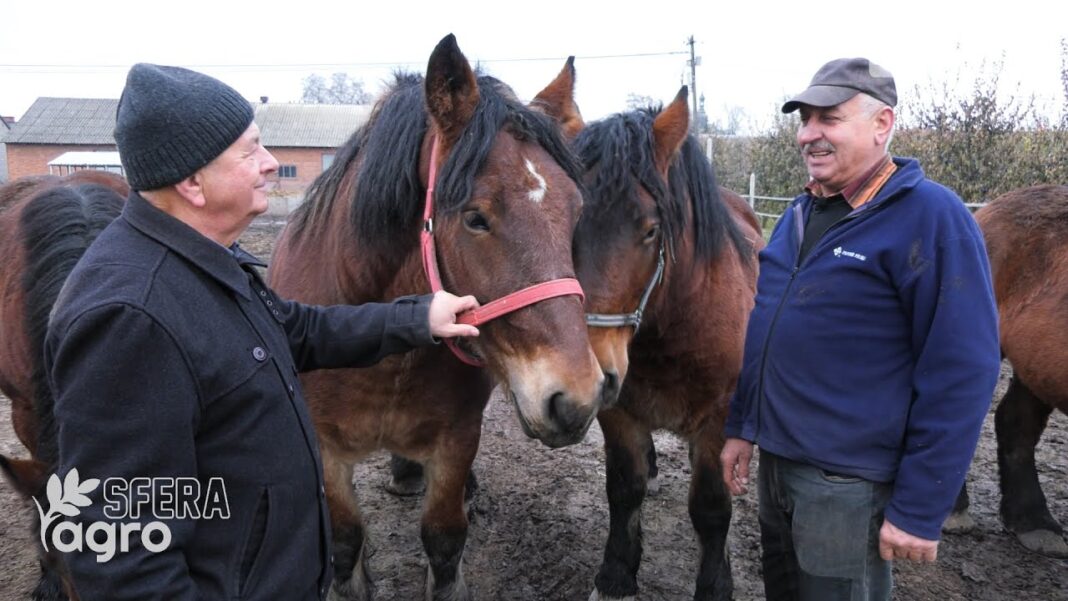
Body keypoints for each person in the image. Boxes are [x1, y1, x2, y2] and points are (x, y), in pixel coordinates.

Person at [44, 64, 480, 601]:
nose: (271, 163)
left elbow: (292, 329)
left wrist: (417, 317)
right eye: (250, 151)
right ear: (192, 182)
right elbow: (123, 553)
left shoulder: (198, 259)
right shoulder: (128, 318)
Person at [719, 57, 1000, 600]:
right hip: (777, 465)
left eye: (829, 118)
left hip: (846, 484)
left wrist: (920, 508)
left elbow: (963, 369)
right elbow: (768, 330)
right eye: (805, 120)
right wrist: (742, 427)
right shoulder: (800, 213)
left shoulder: (930, 217)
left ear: (882, 124)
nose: (809, 134)